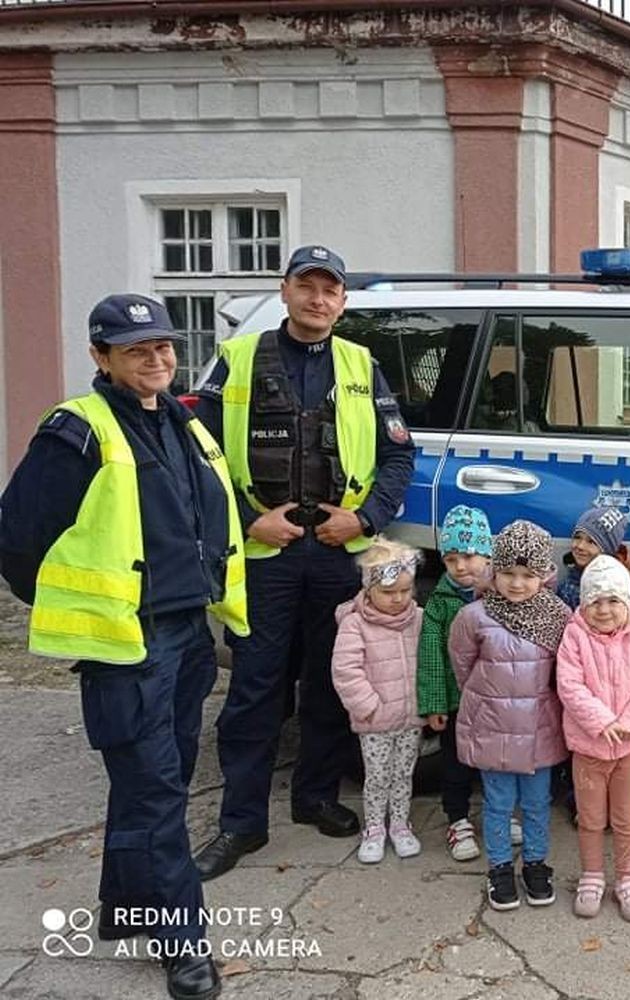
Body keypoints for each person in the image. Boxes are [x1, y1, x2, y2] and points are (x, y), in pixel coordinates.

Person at [0, 294, 248, 1000]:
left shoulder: (184, 424)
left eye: (163, 346)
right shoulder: (77, 430)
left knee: (146, 790)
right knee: (158, 792)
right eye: (136, 349)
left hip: (187, 638)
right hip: (126, 646)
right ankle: (184, 946)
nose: (156, 359)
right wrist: (69, 604)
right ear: (100, 357)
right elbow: (17, 538)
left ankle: (122, 909)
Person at [192, 245, 415, 881]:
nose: (319, 300)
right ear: (285, 291)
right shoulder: (236, 361)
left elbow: (400, 456)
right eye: (307, 287)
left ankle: (316, 797)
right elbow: (199, 457)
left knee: (328, 680)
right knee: (256, 687)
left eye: (331, 291)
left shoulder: (360, 364)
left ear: (342, 302)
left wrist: (365, 520)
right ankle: (240, 821)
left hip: (336, 553)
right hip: (266, 552)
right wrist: (246, 517)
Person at [449, 520, 571, 911]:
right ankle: (500, 868)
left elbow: (564, 672)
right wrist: (489, 702)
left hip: (539, 727)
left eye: (527, 575)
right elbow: (464, 667)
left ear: (543, 575)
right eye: (508, 574)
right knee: (498, 804)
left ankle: (536, 863)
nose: (517, 584)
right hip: (493, 727)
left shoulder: (558, 616)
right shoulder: (474, 616)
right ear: (494, 572)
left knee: (537, 803)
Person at [556, 556, 630, 921]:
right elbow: (569, 685)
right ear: (583, 605)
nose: (603, 610)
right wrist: (601, 721)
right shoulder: (574, 635)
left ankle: (628, 878)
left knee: (626, 818)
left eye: (613, 601)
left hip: (628, 748)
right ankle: (591, 876)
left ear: (628, 603)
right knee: (589, 818)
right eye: (595, 602)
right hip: (588, 748)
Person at [331, 538, 425, 864]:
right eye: (388, 592)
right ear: (369, 589)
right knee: (377, 776)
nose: (398, 599)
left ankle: (399, 824)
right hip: (375, 721)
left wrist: (425, 703)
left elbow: (429, 664)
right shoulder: (355, 625)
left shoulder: (419, 619)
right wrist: (368, 706)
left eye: (405, 590)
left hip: (412, 718)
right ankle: (373, 827)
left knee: (403, 774)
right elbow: (346, 670)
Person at [418, 505, 492, 862]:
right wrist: (434, 704)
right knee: (456, 762)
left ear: (487, 553)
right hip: (456, 702)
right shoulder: (440, 601)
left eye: (469, 556)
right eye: (450, 559)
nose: (461, 566)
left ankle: (500, 812)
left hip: (494, 702)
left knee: (496, 762)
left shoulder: (500, 594)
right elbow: (431, 655)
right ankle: (458, 819)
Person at [556, 506, 630, 609]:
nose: (580, 546)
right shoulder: (567, 586)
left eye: (591, 542)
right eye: (577, 537)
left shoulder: (621, 587)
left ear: (608, 550)